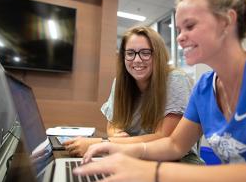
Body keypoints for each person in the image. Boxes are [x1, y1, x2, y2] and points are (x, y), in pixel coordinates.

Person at [73, 0, 246, 182]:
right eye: (179, 29)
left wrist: (152, 173)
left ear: (226, 21)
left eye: (189, 26)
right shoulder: (204, 87)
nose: (180, 38)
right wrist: (118, 148)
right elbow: (174, 144)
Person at [64, 26, 201, 163]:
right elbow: (112, 124)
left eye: (145, 52)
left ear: (157, 55)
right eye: (130, 53)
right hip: (132, 157)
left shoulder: (175, 79)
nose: (136, 60)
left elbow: (165, 138)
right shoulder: (119, 83)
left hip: (177, 162)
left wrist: (104, 143)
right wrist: (116, 134)